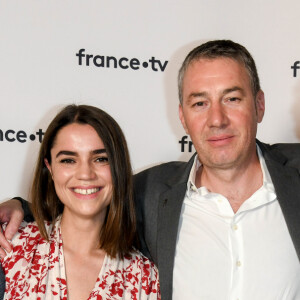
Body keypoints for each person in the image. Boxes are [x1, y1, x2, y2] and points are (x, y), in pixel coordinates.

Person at [1, 40, 300, 299]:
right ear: (182, 117)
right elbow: (88, 197)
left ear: (260, 104)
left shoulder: (295, 175)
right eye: (200, 103)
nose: (217, 119)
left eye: (232, 99)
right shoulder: (152, 192)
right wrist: (17, 209)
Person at [0, 105, 160, 299]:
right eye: (68, 160)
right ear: (49, 168)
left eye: (101, 159)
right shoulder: (11, 248)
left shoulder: (144, 277)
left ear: (119, 168)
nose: (85, 174)